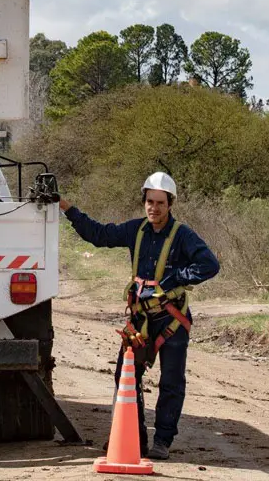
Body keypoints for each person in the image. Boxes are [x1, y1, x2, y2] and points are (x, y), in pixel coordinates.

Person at [58, 172, 219, 461]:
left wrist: (175, 278)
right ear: (143, 202)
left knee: (171, 381)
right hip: (141, 321)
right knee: (126, 377)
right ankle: (135, 437)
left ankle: (162, 441)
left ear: (170, 204)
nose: (153, 208)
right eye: (149, 202)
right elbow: (99, 235)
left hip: (172, 320)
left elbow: (210, 264)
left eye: (159, 203)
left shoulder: (183, 235)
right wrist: (68, 209)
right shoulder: (137, 230)